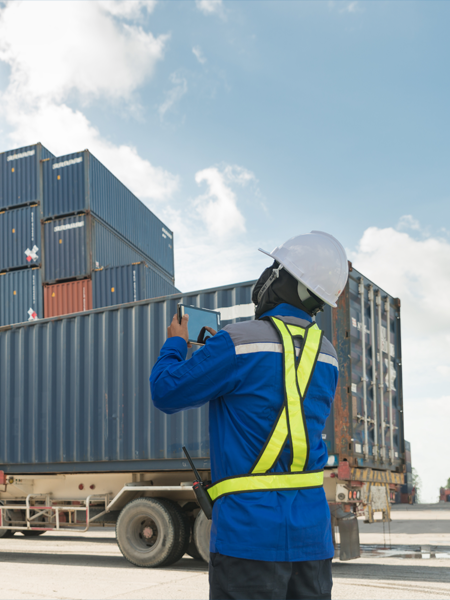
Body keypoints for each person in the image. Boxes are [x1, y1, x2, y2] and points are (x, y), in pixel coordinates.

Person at [150, 231, 349, 600]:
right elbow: (281, 391)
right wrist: (220, 354)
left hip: (248, 537)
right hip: (312, 539)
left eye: (275, 268)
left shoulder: (237, 341)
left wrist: (176, 342)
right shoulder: (328, 355)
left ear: (284, 281)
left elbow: (165, 392)